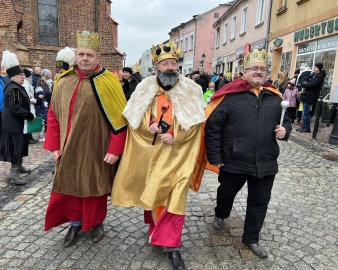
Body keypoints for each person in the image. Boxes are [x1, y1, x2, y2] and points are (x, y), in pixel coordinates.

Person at [111, 40, 205, 270]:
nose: (170, 67)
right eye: (165, 64)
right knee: (155, 194)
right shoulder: (145, 89)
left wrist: (176, 136)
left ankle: (173, 247)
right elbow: (135, 119)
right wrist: (148, 125)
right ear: (156, 68)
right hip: (153, 153)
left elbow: (195, 123)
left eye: (173, 63)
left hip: (179, 154)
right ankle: (156, 231)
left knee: (175, 198)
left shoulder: (191, 89)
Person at [204, 48, 292, 259]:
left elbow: (285, 121)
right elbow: (213, 127)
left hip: (265, 161)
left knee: (259, 202)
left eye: (262, 68)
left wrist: (285, 131)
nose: (259, 72)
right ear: (245, 71)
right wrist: (215, 158)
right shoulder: (229, 95)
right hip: (234, 160)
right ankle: (221, 213)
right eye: (254, 68)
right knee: (226, 193)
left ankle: (251, 238)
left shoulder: (274, 96)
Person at [43, 30, 127, 248]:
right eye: (81, 54)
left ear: (98, 58)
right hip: (68, 146)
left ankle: (96, 222)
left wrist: (115, 148)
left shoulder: (109, 82)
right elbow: (53, 115)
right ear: (76, 56)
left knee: (95, 187)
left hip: (97, 146)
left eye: (90, 55)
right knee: (69, 186)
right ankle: (75, 223)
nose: (85, 59)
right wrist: (54, 145)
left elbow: (120, 119)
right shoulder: (63, 81)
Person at [0, 51, 35, 185]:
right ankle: (13, 173)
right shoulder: (15, 89)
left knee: (21, 145)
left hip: (17, 123)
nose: (23, 77)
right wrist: (29, 115)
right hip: (13, 124)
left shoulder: (16, 87)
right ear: (14, 77)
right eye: (20, 75)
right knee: (16, 147)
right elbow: (15, 107)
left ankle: (19, 166)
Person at [296, 63, 326, 133]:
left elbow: (311, 85)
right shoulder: (315, 75)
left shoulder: (319, 76)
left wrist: (304, 84)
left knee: (306, 113)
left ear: (319, 68)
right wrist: (306, 82)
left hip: (310, 96)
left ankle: (306, 128)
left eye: (315, 67)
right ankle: (304, 126)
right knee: (304, 113)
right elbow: (308, 82)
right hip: (307, 96)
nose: (314, 68)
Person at [22, 68, 38, 144]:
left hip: (31, 104)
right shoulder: (25, 84)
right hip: (29, 105)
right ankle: (28, 137)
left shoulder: (28, 83)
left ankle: (29, 137)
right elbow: (27, 97)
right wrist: (36, 101)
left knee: (29, 121)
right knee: (28, 121)